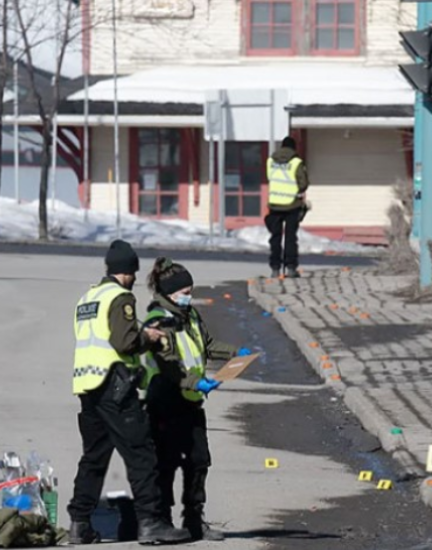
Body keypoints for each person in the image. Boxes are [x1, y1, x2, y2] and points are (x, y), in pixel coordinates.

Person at [68, 240, 191, 546]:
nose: (135, 279)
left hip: (87, 387)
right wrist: (148, 337)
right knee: (141, 453)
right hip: (114, 386)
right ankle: (151, 523)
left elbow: (97, 337)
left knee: (93, 458)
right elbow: (124, 343)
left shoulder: (88, 297)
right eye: (134, 273)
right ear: (128, 272)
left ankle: (79, 524)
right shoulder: (120, 296)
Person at [142, 257, 251, 541]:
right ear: (169, 293)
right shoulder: (158, 321)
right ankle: (162, 521)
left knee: (198, 460)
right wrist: (197, 382)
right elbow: (168, 364)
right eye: (185, 292)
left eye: (191, 291)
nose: (190, 296)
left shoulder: (189, 315)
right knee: (165, 462)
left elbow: (208, 345)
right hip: (165, 398)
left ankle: (193, 518)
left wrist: (235, 353)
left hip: (190, 399)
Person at [265, 135, 310, 279]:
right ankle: (290, 268)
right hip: (292, 204)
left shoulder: (271, 161)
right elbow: (303, 183)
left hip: (275, 204)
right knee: (290, 237)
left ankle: (275, 268)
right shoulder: (296, 162)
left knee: (275, 237)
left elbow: (270, 177)